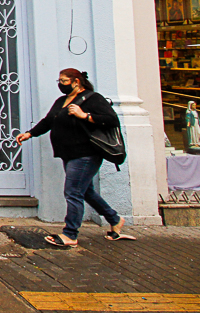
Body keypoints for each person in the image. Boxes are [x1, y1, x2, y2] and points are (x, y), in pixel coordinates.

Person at [15, 68, 135, 247]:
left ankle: (70, 235)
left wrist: (85, 115)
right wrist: (30, 134)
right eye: (59, 81)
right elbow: (49, 121)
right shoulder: (62, 101)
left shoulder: (92, 98)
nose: (60, 84)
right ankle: (115, 219)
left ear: (76, 82)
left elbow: (111, 119)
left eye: (63, 81)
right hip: (68, 153)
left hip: (86, 153)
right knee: (86, 191)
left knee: (73, 192)